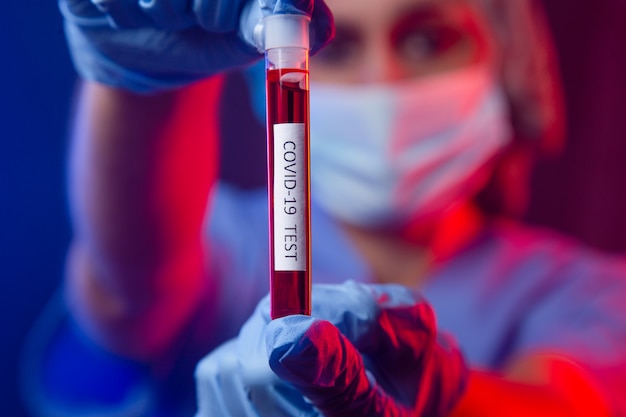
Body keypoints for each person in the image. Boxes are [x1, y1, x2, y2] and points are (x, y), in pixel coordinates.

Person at [20, 0, 626, 416]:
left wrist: (442, 397)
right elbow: (124, 296)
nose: (381, 82)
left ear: (509, 61)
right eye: (334, 48)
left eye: (427, 39)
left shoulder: (588, 289)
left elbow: (566, 401)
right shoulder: (225, 239)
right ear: (269, 75)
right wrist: (140, 83)